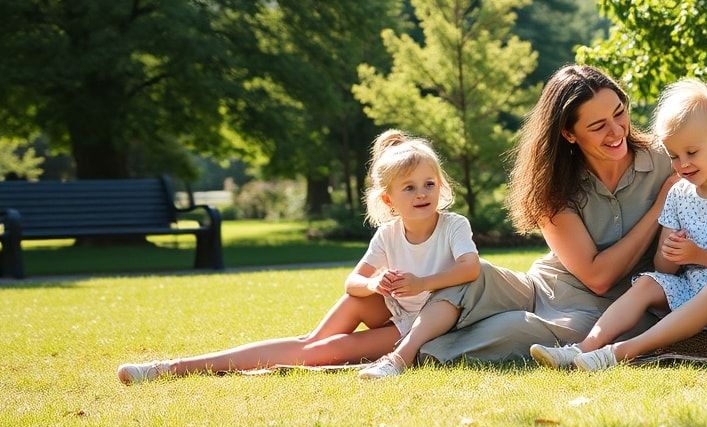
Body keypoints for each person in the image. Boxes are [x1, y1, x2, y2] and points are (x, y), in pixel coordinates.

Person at [116, 130, 481, 384]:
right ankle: (169, 367)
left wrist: (421, 283)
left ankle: (186, 368)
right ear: (389, 200)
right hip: (392, 308)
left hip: (420, 322)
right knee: (313, 338)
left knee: (325, 350)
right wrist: (374, 283)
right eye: (410, 188)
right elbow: (353, 282)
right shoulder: (388, 234)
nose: (422, 194)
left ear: (441, 186)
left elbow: (470, 269)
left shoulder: (453, 225)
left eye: (429, 184)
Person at [409, 64, 675, 363]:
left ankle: (416, 353)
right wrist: (659, 207)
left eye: (619, 112)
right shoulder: (551, 184)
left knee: (516, 329)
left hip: (605, 312)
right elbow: (597, 276)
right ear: (569, 133)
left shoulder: (667, 159)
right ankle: (399, 348)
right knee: (471, 277)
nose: (616, 130)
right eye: (598, 126)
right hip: (540, 288)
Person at [530, 79, 707, 371]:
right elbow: (664, 269)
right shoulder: (677, 193)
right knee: (648, 282)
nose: (682, 164)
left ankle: (619, 352)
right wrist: (674, 251)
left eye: (691, 153)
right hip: (693, 291)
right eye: (673, 156)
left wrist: (698, 255)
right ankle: (582, 348)